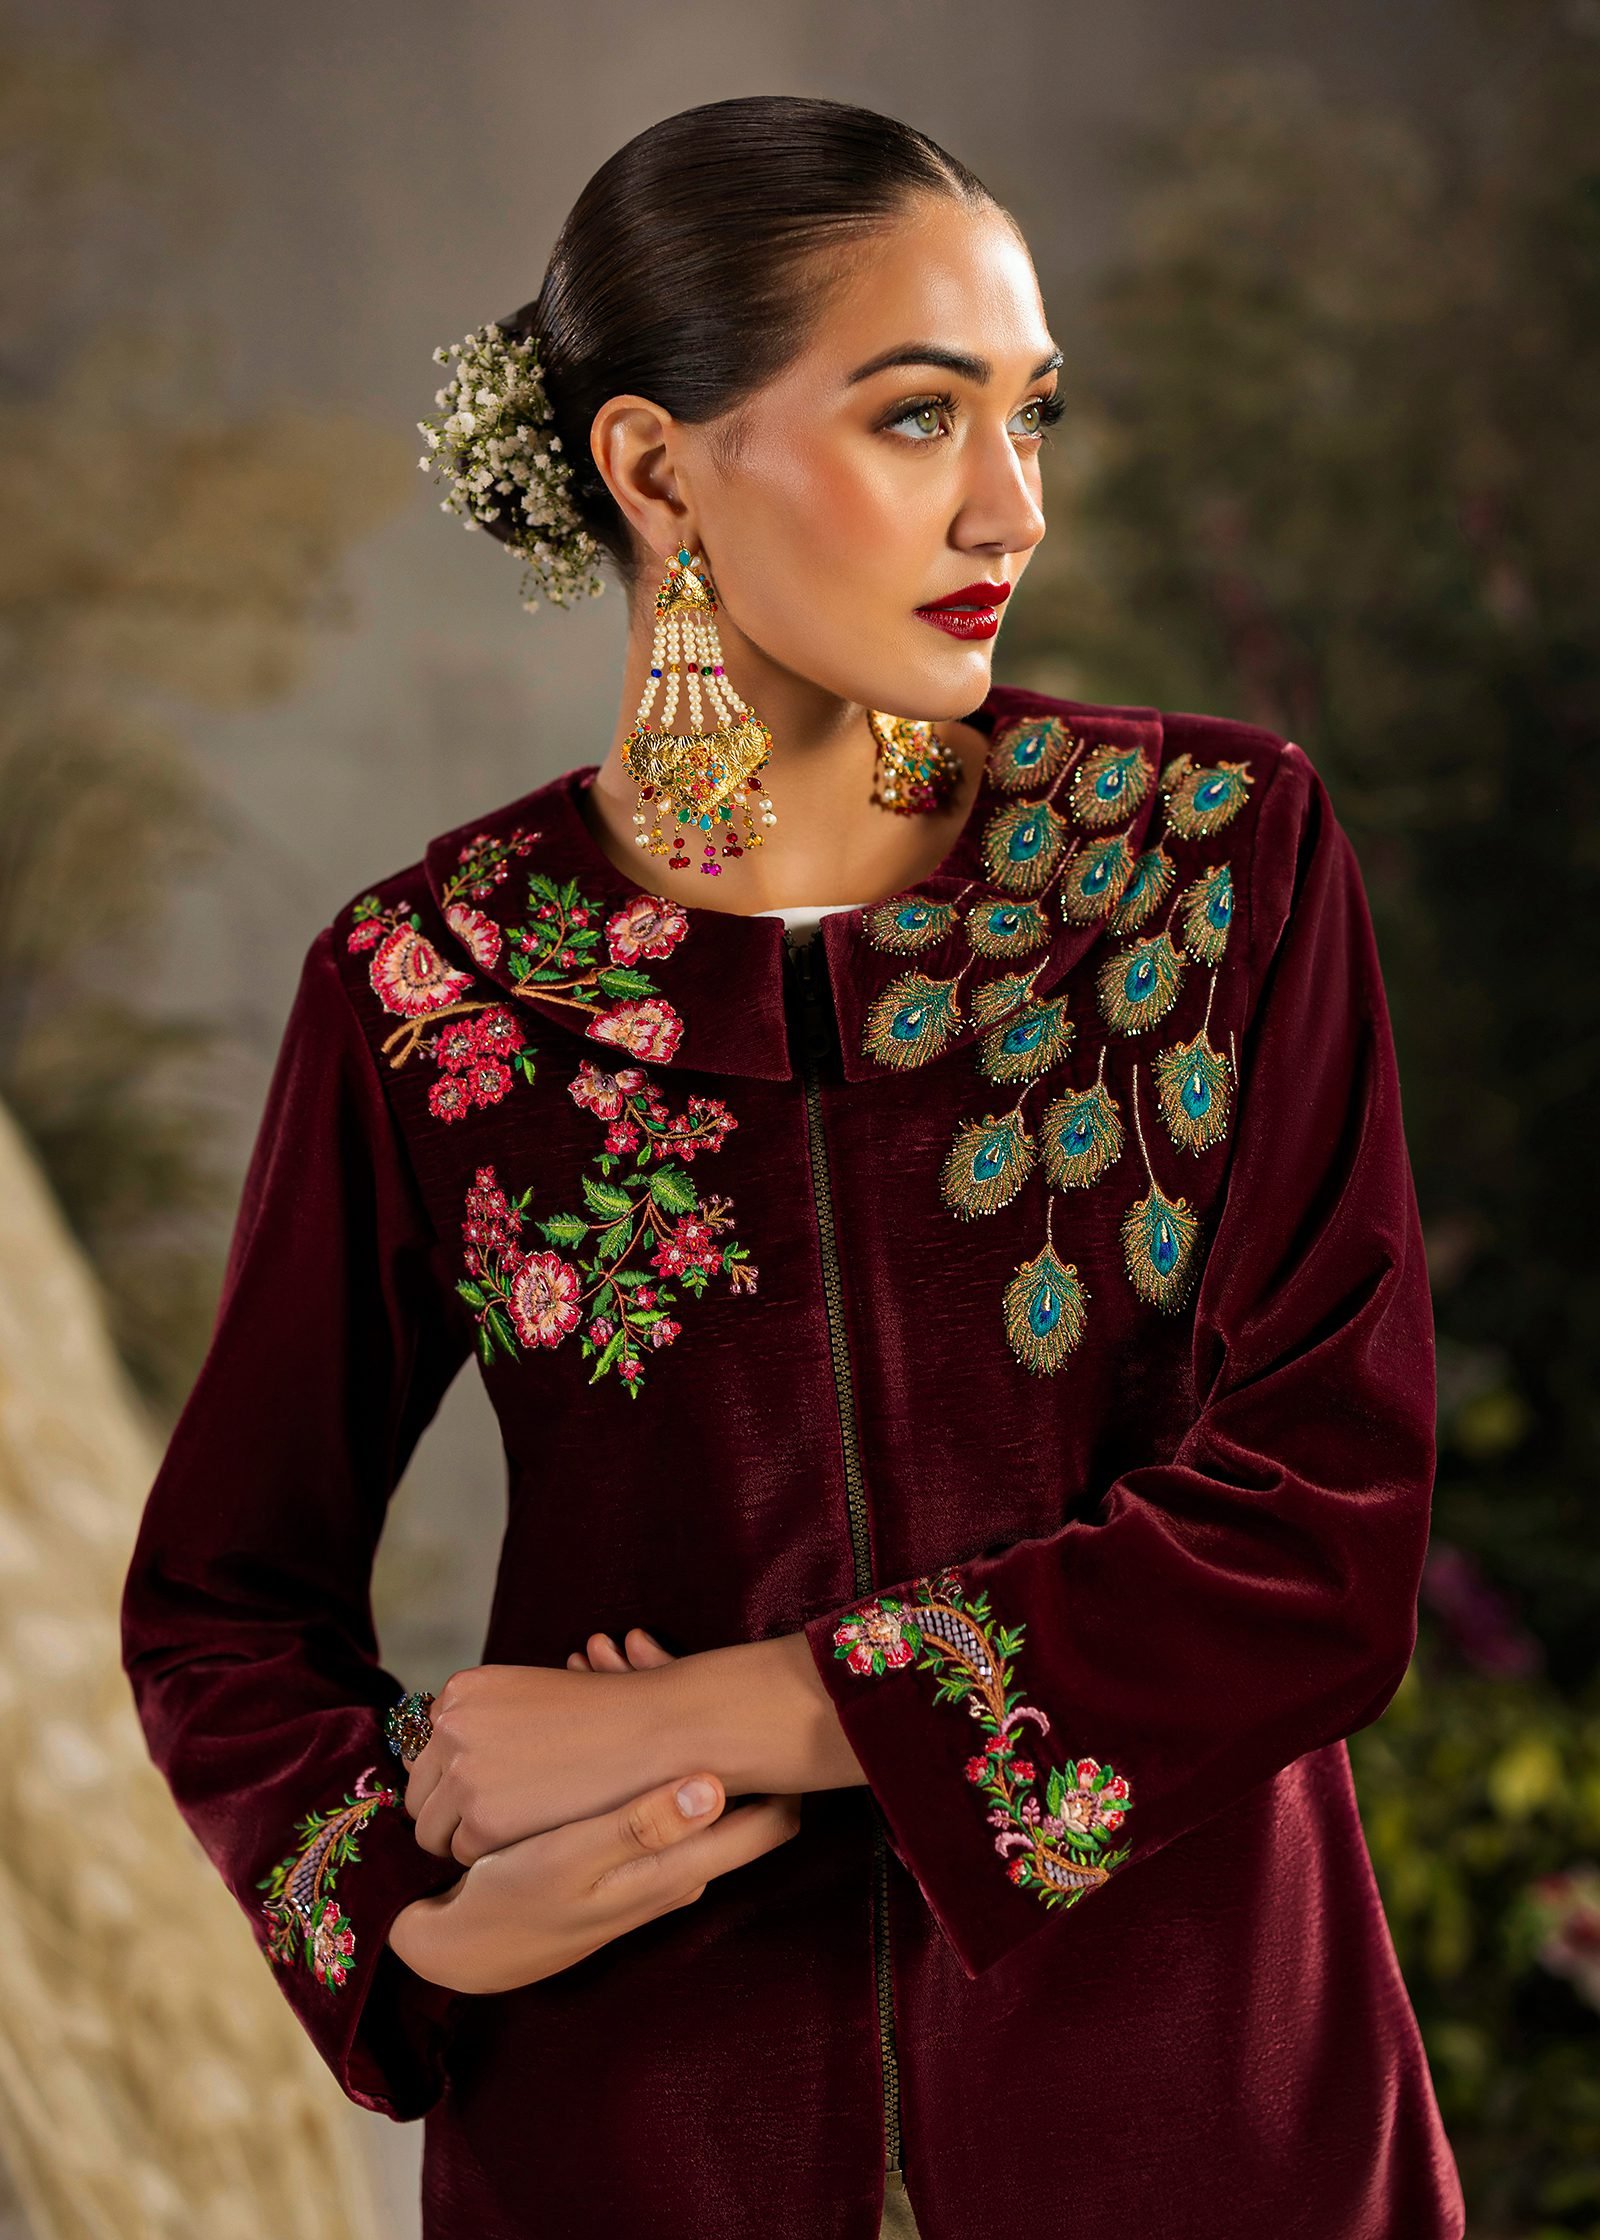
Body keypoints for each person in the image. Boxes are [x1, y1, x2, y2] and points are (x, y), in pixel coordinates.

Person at [121, 94, 1468, 2240]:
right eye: (921, 417)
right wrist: (426, 1925)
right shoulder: (437, 982)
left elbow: (1322, 1524)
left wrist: (743, 1713)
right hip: (643, 2136)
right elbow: (219, 1607)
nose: (1012, 505)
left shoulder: (1209, 870)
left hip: (1204, 2122)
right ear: (657, 471)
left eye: (1031, 413)